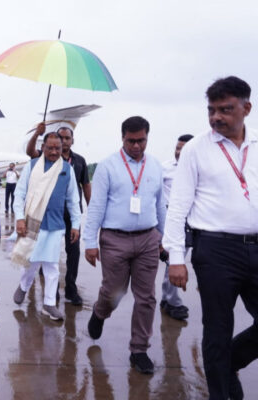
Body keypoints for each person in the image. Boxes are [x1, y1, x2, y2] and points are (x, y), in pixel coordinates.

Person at [164, 76, 258, 399]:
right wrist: (176, 258)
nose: (216, 117)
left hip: (256, 246)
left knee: (226, 349)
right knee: (217, 332)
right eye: (212, 110)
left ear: (246, 108)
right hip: (215, 251)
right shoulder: (195, 149)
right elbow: (177, 207)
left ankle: (231, 362)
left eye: (226, 109)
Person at [83, 116, 166, 375]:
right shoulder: (108, 166)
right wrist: (89, 241)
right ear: (123, 138)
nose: (136, 146)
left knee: (146, 297)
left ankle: (139, 350)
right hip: (115, 239)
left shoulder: (155, 166)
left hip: (148, 239)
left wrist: (165, 238)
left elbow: (160, 203)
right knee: (113, 293)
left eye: (141, 140)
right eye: (131, 141)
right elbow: (96, 205)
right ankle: (99, 312)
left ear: (147, 138)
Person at [11, 132, 81, 321]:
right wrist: (19, 218)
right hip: (33, 222)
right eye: (49, 147)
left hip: (55, 224)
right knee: (31, 262)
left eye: (57, 148)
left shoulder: (67, 169)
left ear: (62, 148)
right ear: (43, 148)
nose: (53, 151)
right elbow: (19, 194)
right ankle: (24, 286)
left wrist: (76, 224)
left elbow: (74, 200)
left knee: (52, 266)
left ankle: (49, 303)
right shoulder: (32, 166)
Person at [159, 134, 194, 321]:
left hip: (193, 221)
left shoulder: (199, 169)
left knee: (180, 262)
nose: (179, 152)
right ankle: (173, 301)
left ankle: (166, 298)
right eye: (177, 148)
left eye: (183, 149)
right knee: (173, 259)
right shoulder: (165, 169)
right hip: (170, 219)